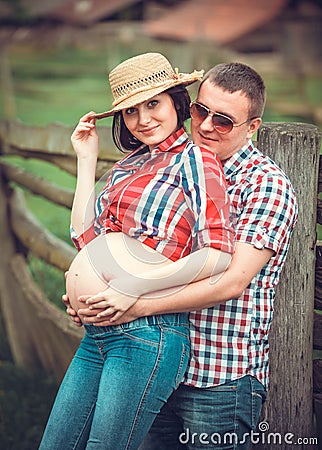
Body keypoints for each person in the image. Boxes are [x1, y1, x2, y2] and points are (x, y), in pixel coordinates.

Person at [67, 62, 298, 450]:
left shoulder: (265, 185)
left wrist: (132, 301)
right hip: (158, 360)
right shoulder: (167, 167)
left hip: (218, 376)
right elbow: (135, 250)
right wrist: (95, 294)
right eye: (200, 111)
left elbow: (232, 280)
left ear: (251, 128)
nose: (206, 126)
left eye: (224, 121)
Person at [39, 53, 234, 450]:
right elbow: (86, 238)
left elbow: (218, 252)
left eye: (153, 104)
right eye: (130, 111)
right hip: (99, 331)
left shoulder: (195, 160)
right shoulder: (129, 166)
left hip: (148, 333)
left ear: (176, 102)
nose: (143, 119)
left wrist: (132, 282)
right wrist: (86, 161)